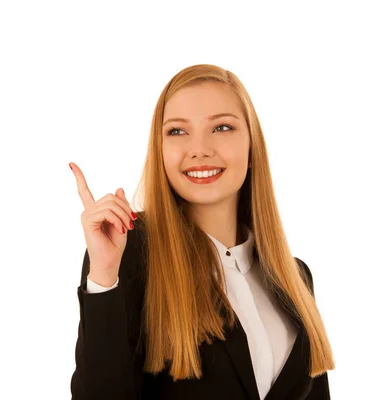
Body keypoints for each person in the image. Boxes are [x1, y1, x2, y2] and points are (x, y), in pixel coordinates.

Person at [69, 64, 335, 399]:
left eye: (222, 127)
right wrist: (105, 276)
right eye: (178, 132)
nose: (199, 149)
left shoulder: (296, 277)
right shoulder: (130, 251)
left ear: (252, 147)